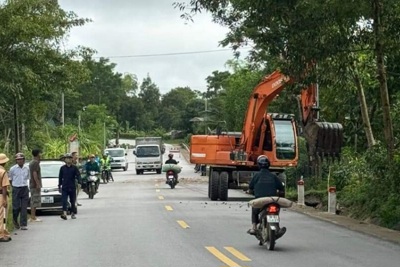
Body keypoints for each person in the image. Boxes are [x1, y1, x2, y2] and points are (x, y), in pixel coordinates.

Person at [247, 155, 286, 237]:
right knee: (276, 212)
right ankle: (277, 228)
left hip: (260, 201)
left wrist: (251, 191)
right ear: (269, 165)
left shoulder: (256, 176)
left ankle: (254, 227)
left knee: (254, 211)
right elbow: (281, 187)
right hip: (273, 200)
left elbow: (250, 187)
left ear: (258, 165)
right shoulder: (273, 176)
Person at [9, 153, 30, 230]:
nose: (19, 161)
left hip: (24, 188)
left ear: (24, 160)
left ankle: (23, 224)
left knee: (24, 207)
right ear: (16, 161)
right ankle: (15, 220)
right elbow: (10, 179)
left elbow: (28, 178)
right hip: (16, 188)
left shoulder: (27, 168)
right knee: (16, 207)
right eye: (18, 160)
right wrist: (14, 187)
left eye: (21, 159)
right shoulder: (12, 169)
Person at [58, 153, 81, 220]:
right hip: (65, 187)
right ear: (65, 160)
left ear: (71, 159)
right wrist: (59, 185)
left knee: (72, 201)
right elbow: (60, 177)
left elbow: (78, 175)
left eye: (70, 158)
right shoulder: (62, 168)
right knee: (64, 201)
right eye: (67, 158)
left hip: (72, 186)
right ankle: (64, 213)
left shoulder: (74, 168)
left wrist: (79, 182)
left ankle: (72, 213)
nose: (68, 159)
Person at [29, 149, 42, 222]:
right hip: (34, 185)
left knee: (34, 200)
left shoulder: (32, 162)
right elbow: (34, 174)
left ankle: (33, 216)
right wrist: (37, 184)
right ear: (37, 154)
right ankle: (33, 217)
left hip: (32, 184)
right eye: (40, 153)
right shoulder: (35, 163)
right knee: (34, 200)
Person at [0, 153, 11, 242]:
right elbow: (4, 186)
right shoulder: (3, 172)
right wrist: (4, 199)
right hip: (1, 195)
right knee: (2, 215)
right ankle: (2, 234)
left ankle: (4, 232)